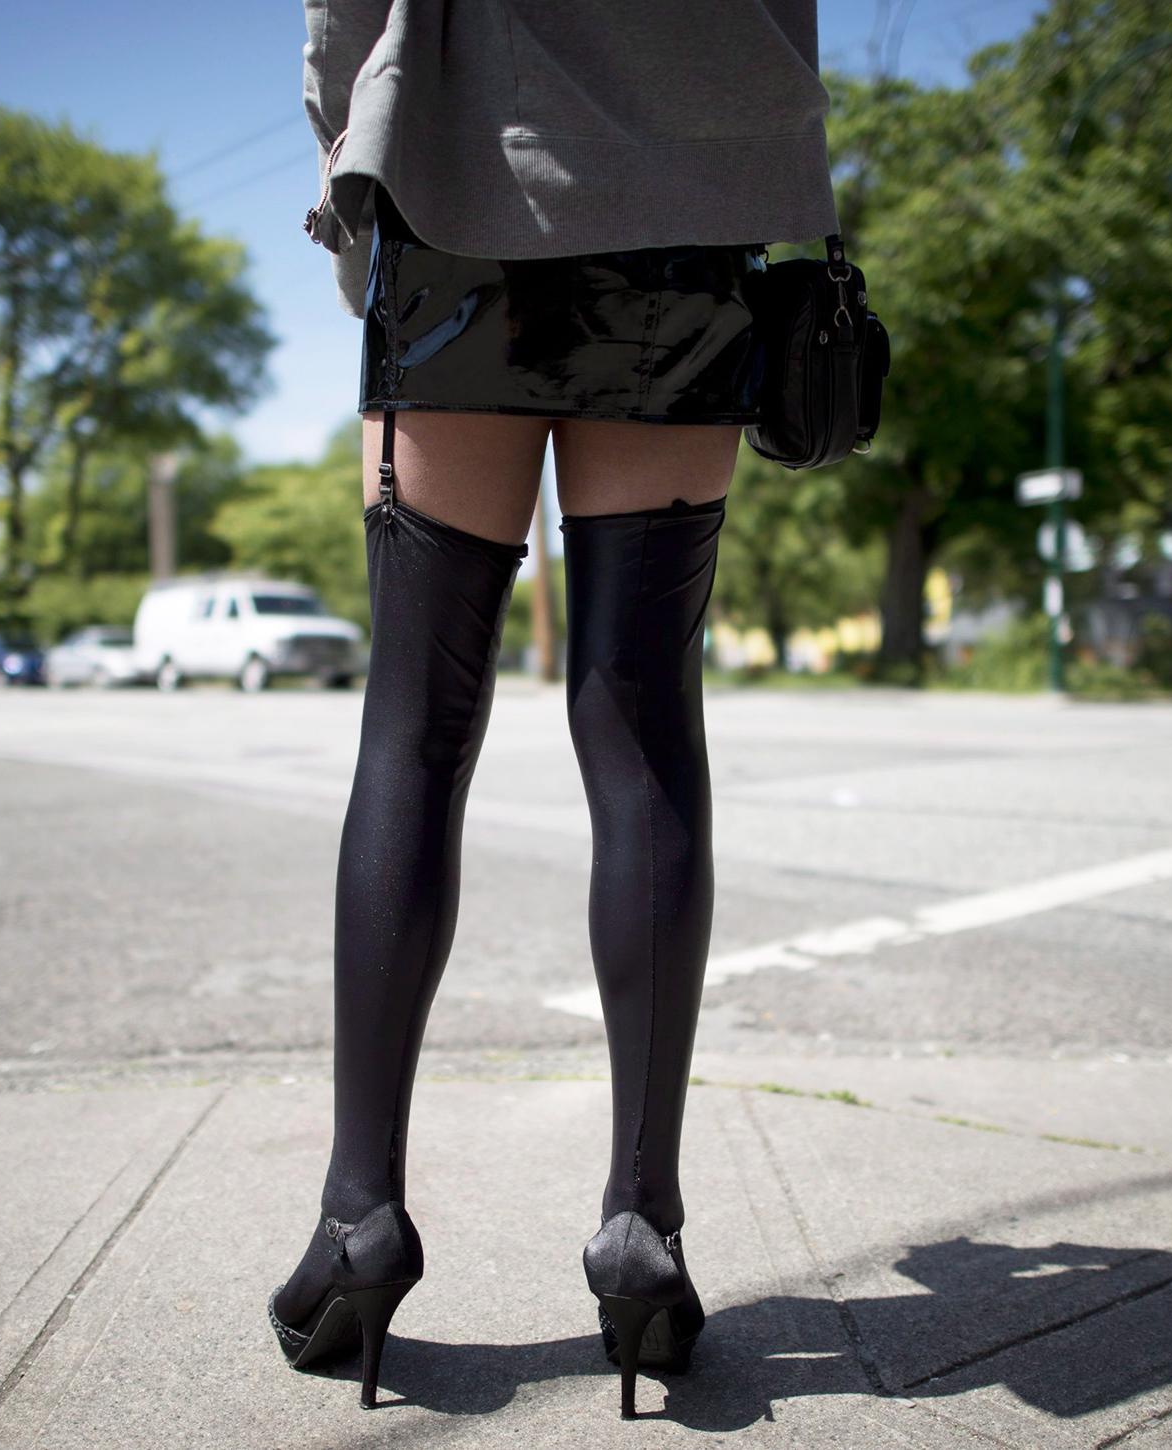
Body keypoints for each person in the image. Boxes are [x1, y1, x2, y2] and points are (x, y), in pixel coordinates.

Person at [266, 0, 838, 1420]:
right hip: (689, 208)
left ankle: (359, 1220)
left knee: (413, 728)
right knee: (644, 723)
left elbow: (347, 12)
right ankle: (642, 1216)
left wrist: (356, 173)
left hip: (457, 190)